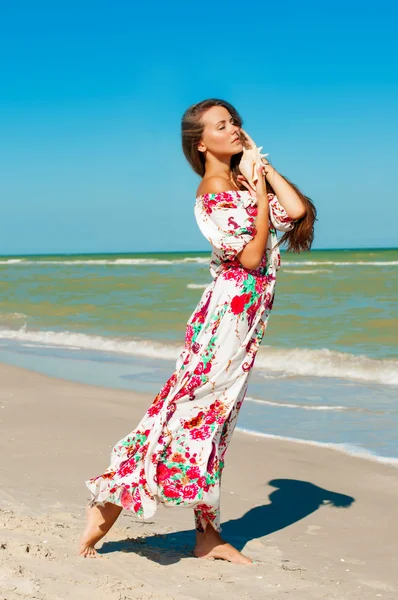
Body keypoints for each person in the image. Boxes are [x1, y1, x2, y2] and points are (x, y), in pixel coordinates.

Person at [79, 98, 316, 564]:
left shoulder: (242, 183)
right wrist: (259, 200)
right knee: (186, 414)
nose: (234, 130)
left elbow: (297, 211)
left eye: (236, 123)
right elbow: (250, 258)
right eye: (222, 126)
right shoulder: (211, 193)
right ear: (201, 142)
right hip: (223, 325)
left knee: (216, 425)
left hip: (244, 326)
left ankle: (208, 534)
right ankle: (110, 497)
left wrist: (261, 170)